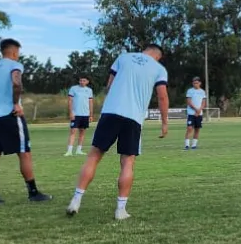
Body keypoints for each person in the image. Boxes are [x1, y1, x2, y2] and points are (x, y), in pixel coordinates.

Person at [67, 44, 169, 220]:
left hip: (111, 112)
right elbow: (162, 96)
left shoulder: (123, 57)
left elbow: (109, 85)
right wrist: (164, 122)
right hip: (134, 118)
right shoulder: (159, 69)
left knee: (94, 155)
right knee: (127, 162)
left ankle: (76, 200)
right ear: (157, 56)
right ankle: (120, 210)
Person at [0, 38, 52, 205]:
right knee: (24, 153)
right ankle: (33, 192)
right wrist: (15, 103)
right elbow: (16, 82)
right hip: (12, 115)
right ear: (14, 52)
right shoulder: (15, 65)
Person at [66, 76, 94, 156]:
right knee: (73, 131)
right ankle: (69, 151)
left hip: (85, 115)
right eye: (81, 80)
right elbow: (70, 101)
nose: (82, 82)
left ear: (87, 82)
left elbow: (90, 102)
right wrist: (71, 112)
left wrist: (91, 115)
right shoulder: (73, 89)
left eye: (84, 80)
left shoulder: (89, 90)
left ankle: (79, 150)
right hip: (76, 114)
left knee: (82, 132)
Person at [184, 77, 206, 150]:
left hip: (199, 113)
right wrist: (196, 109)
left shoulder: (202, 92)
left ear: (200, 83)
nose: (195, 84)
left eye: (196, 83)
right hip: (191, 113)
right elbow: (189, 102)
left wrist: (199, 110)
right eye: (194, 83)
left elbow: (203, 102)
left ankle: (194, 145)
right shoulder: (190, 91)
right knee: (189, 128)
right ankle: (187, 145)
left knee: (197, 129)